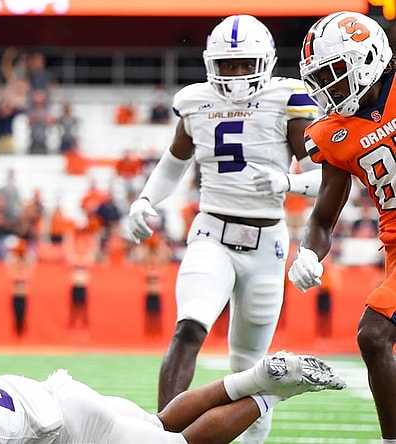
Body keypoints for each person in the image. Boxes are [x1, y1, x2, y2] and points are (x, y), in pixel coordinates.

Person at [126, 15, 321, 443]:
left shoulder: (286, 100)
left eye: (243, 63)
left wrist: (288, 181)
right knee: (189, 327)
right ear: (211, 63)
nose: (234, 73)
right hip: (211, 232)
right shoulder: (195, 101)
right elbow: (174, 162)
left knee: (249, 365)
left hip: (267, 242)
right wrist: (145, 199)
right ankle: (162, 433)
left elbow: (323, 178)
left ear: (265, 61)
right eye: (226, 64)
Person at [0, 331, 346, 444]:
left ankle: (272, 390)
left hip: (77, 428)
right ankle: (256, 378)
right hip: (63, 401)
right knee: (159, 424)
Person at [288, 11, 396, 443]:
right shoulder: (334, 133)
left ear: (369, 57)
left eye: (335, 71)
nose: (329, 87)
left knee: (374, 334)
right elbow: (321, 218)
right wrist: (308, 252)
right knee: (374, 337)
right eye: (321, 77)